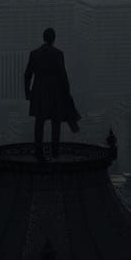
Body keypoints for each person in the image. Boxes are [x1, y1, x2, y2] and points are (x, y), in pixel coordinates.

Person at [23, 26, 80, 161]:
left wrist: (28, 93)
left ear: (43, 38)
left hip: (39, 93)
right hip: (55, 93)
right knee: (56, 122)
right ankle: (55, 152)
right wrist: (66, 93)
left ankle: (38, 151)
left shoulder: (34, 53)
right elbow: (63, 76)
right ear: (54, 39)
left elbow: (27, 75)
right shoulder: (58, 54)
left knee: (39, 123)